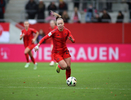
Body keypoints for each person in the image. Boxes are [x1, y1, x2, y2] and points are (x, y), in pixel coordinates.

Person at [35, 11, 75, 80]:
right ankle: (59, 66)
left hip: (65, 50)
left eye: (61, 23)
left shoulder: (67, 31)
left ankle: (68, 80)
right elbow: (45, 37)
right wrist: (38, 45)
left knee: (68, 66)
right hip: (56, 53)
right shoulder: (54, 32)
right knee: (64, 66)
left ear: (63, 23)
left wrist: (71, 40)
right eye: (58, 24)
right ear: (57, 24)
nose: (60, 25)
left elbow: (73, 41)